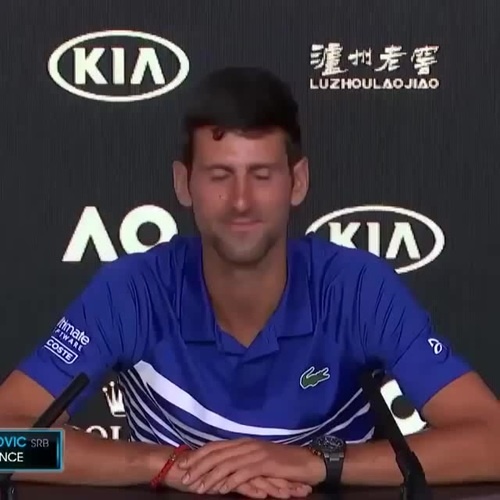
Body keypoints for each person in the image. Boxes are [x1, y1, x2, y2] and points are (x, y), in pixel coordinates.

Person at [0, 66, 499, 498]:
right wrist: (167, 464)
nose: (241, 202)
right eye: (220, 175)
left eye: (261, 175)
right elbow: (6, 445)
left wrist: (318, 463)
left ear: (297, 182)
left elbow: (493, 442)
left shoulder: (357, 288)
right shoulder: (132, 291)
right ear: (184, 184)